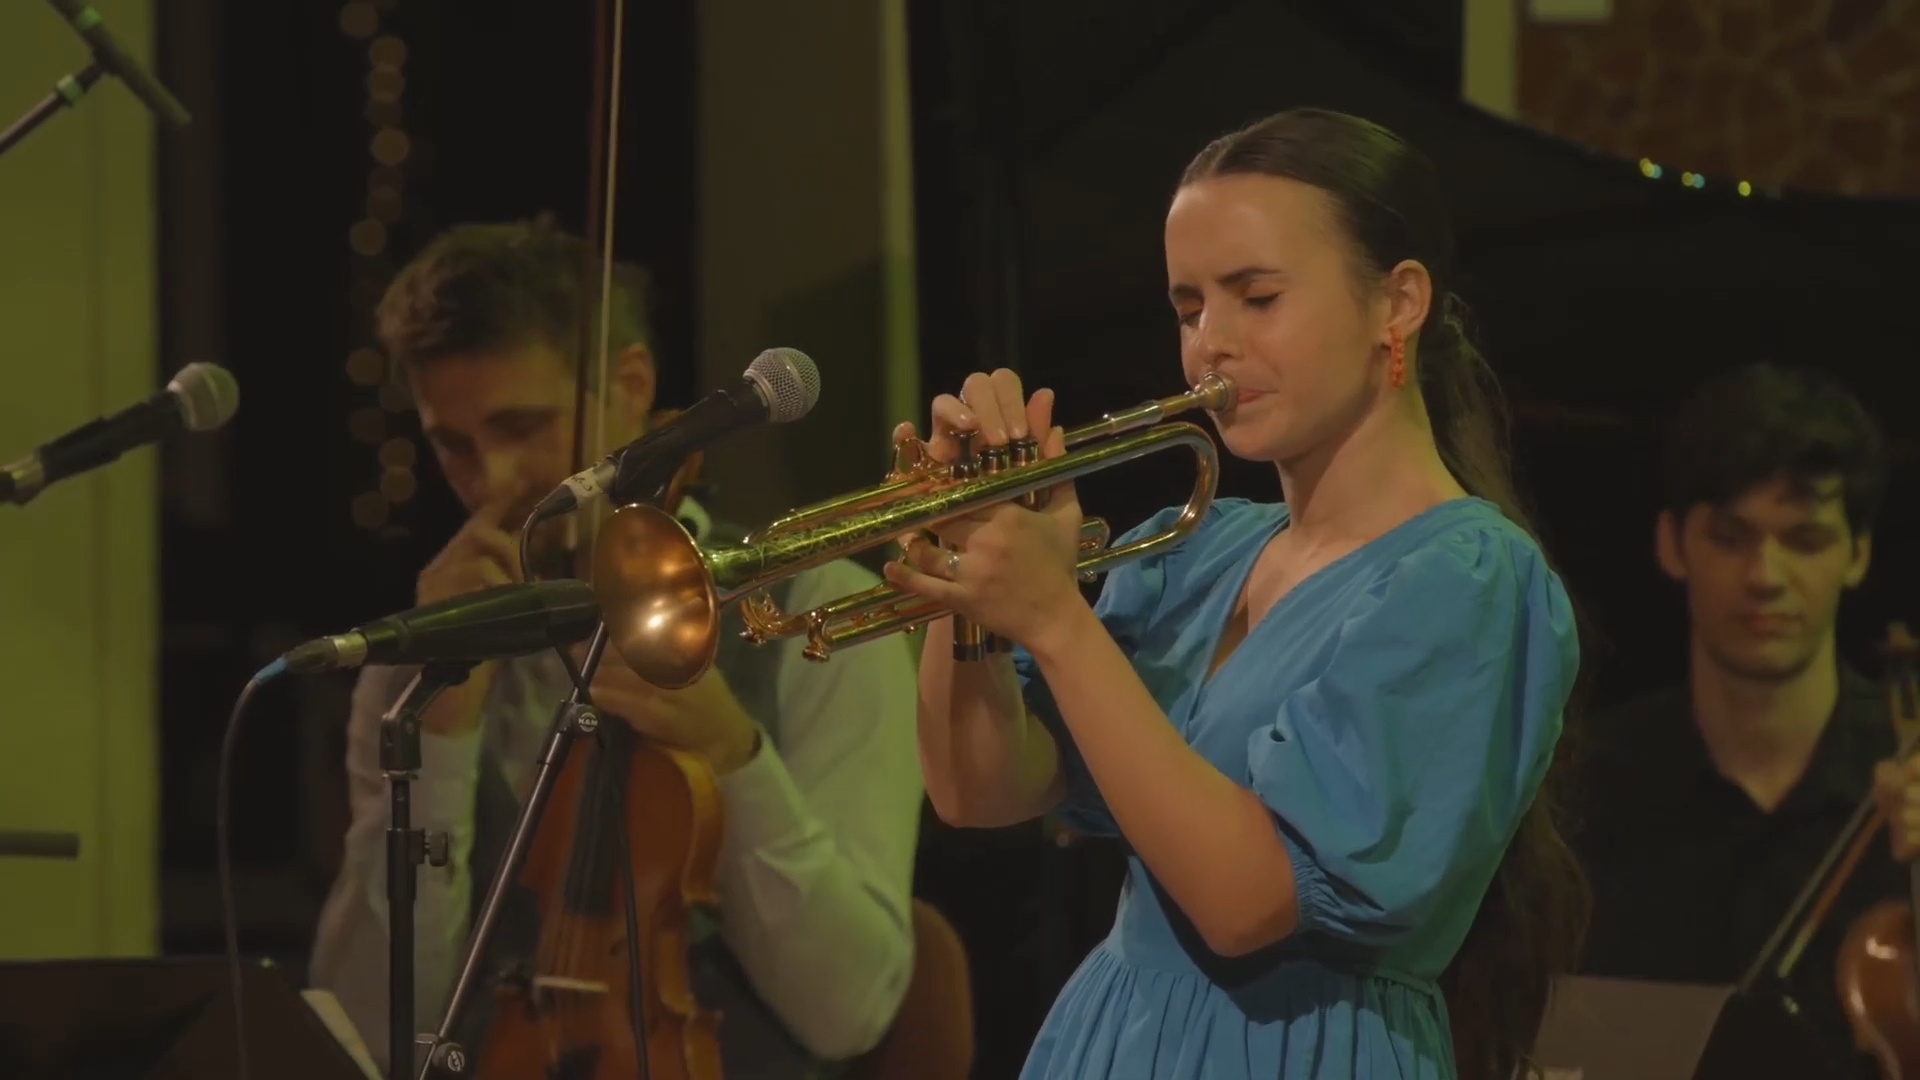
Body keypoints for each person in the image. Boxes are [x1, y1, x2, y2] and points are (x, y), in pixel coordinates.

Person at [889, 107, 1586, 1079]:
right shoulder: (1193, 550)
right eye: (1188, 308)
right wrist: (970, 584)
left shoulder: (1465, 578)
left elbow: (1248, 901)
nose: (1210, 344)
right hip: (1118, 1036)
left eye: (1256, 298)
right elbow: (979, 788)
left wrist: (1053, 618)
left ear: (1399, 304)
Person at [307, 218, 924, 1077]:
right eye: (452, 443)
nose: (490, 481)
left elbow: (850, 1011)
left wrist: (730, 753)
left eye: (525, 427)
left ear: (632, 385)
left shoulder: (821, 618)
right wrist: (438, 742)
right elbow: (363, 1035)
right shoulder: (430, 648)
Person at [1576, 362, 1916, 1078]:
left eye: (1805, 539)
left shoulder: (1907, 775)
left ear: (1858, 554)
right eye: (1732, 537)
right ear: (1673, 545)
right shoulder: (1583, 784)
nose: (1765, 575)